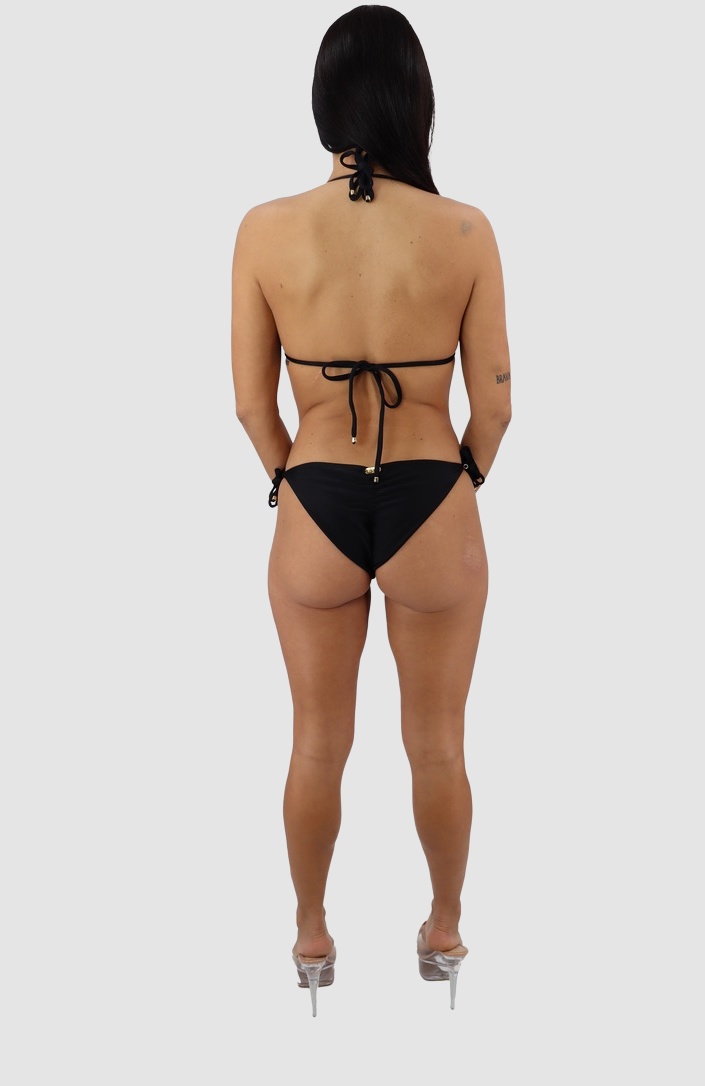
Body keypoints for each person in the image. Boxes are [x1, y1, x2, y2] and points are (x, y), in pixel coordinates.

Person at [231, 4, 511, 1015]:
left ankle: (311, 939)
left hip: (316, 496)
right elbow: (498, 407)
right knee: (437, 743)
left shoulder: (265, 230)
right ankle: (445, 932)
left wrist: (292, 483)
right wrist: (460, 485)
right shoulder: (464, 229)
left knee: (316, 741)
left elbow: (250, 406)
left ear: (326, 100)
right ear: (413, 99)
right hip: (435, 496)